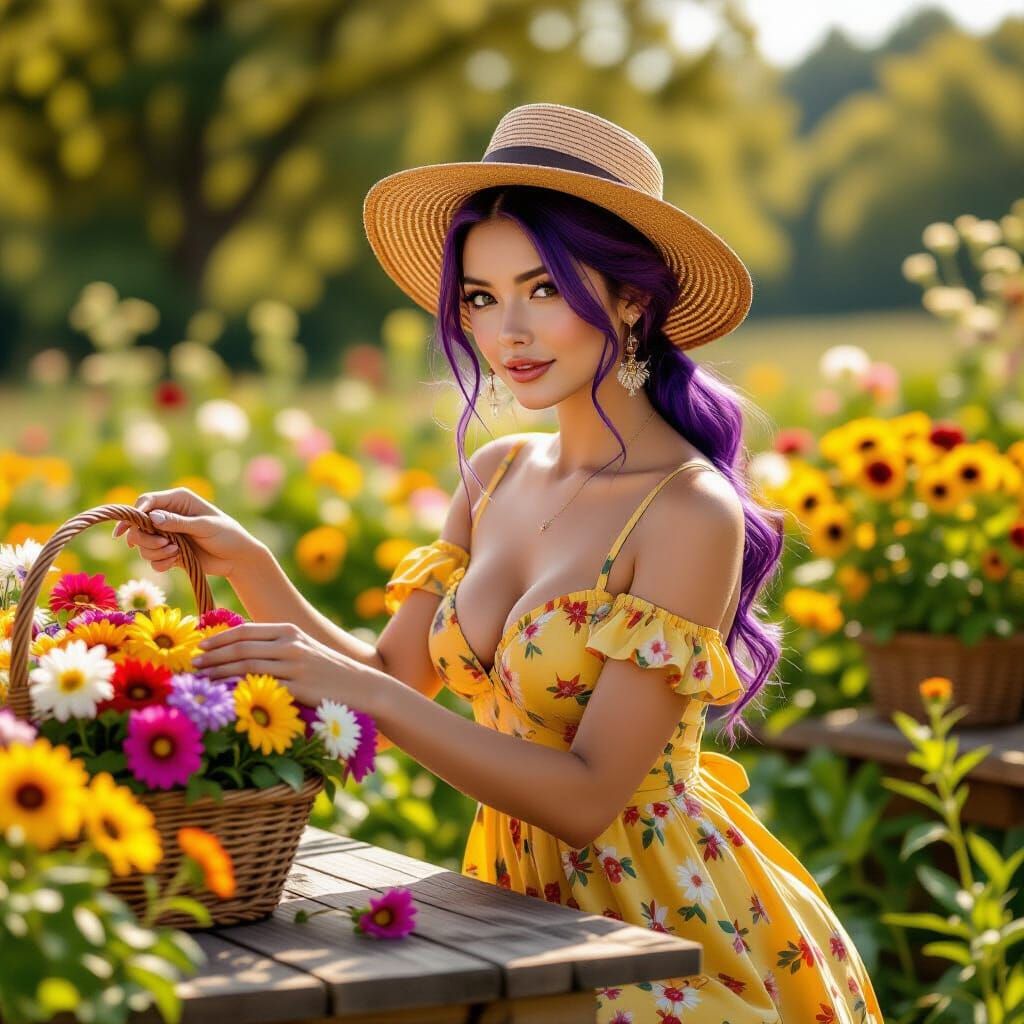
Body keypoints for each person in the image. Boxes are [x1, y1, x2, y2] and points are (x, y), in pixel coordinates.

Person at [115, 104, 882, 1023]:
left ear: (633, 299)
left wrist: (362, 693)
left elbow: (590, 796)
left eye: (543, 290)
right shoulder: (495, 473)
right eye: (480, 297)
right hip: (510, 907)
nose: (505, 331)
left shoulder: (685, 509)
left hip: (661, 917)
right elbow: (393, 679)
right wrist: (248, 562)